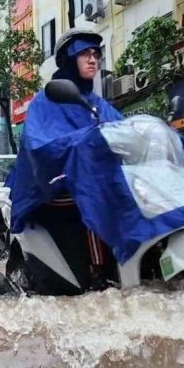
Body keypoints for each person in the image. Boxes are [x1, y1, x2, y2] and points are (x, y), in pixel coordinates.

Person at [10, 28, 124, 285]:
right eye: (85, 54)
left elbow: (123, 129)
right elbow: (38, 145)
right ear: (69, 60)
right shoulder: (47, 100)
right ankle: (98, 274)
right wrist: (82, 141)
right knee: (92, 197)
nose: (93, 59)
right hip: (54, 189)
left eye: (96, 54)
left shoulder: (97, 103)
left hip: (95, 181)